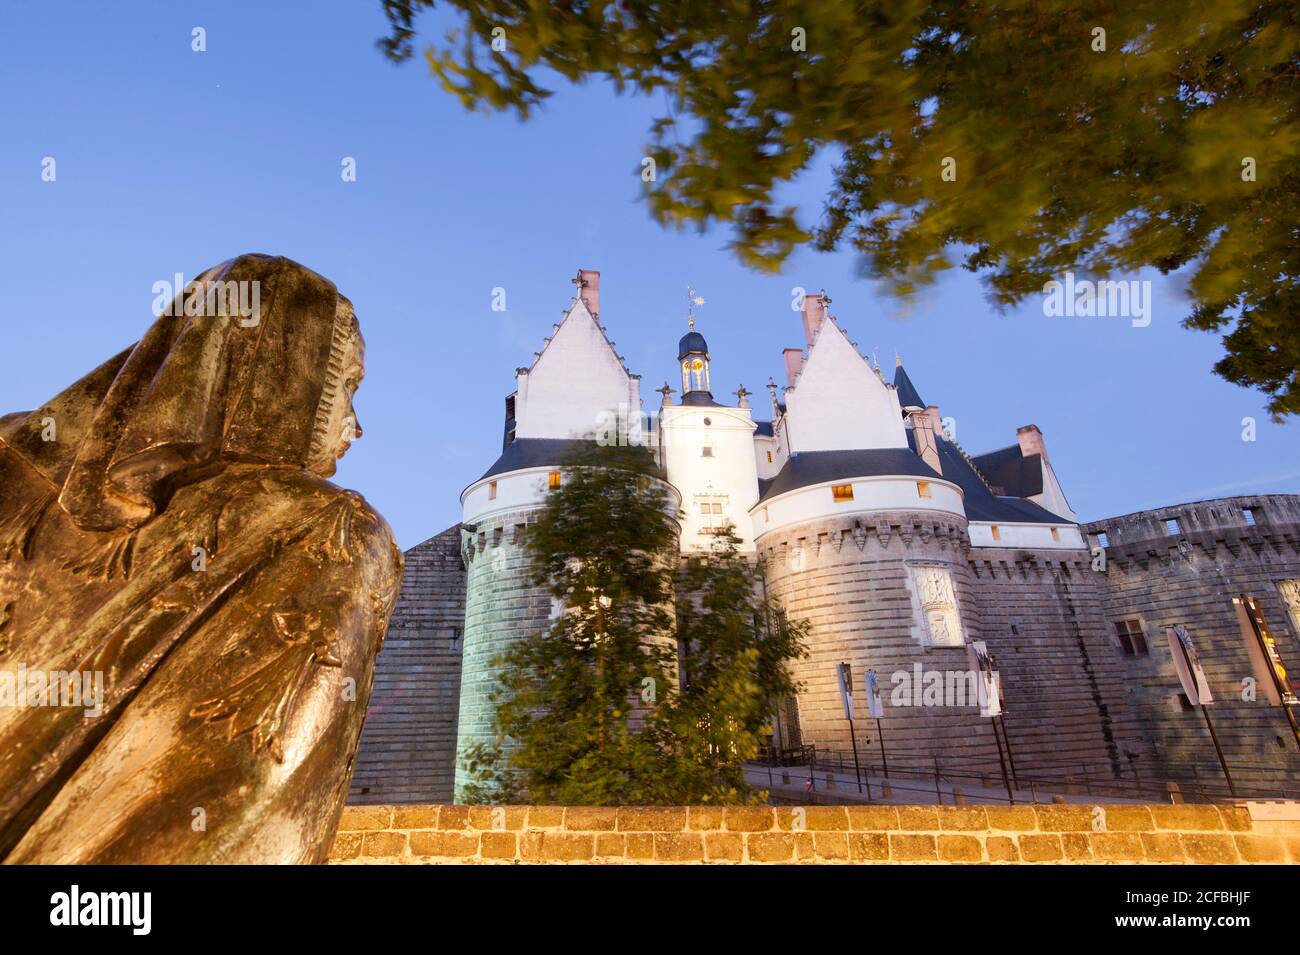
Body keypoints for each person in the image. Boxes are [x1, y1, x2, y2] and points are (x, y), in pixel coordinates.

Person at [0, 254, 402, 863]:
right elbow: (253, 809)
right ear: (284, 376)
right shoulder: (329, 524)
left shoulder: (18, 460)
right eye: (345, 385)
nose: (356, 423)